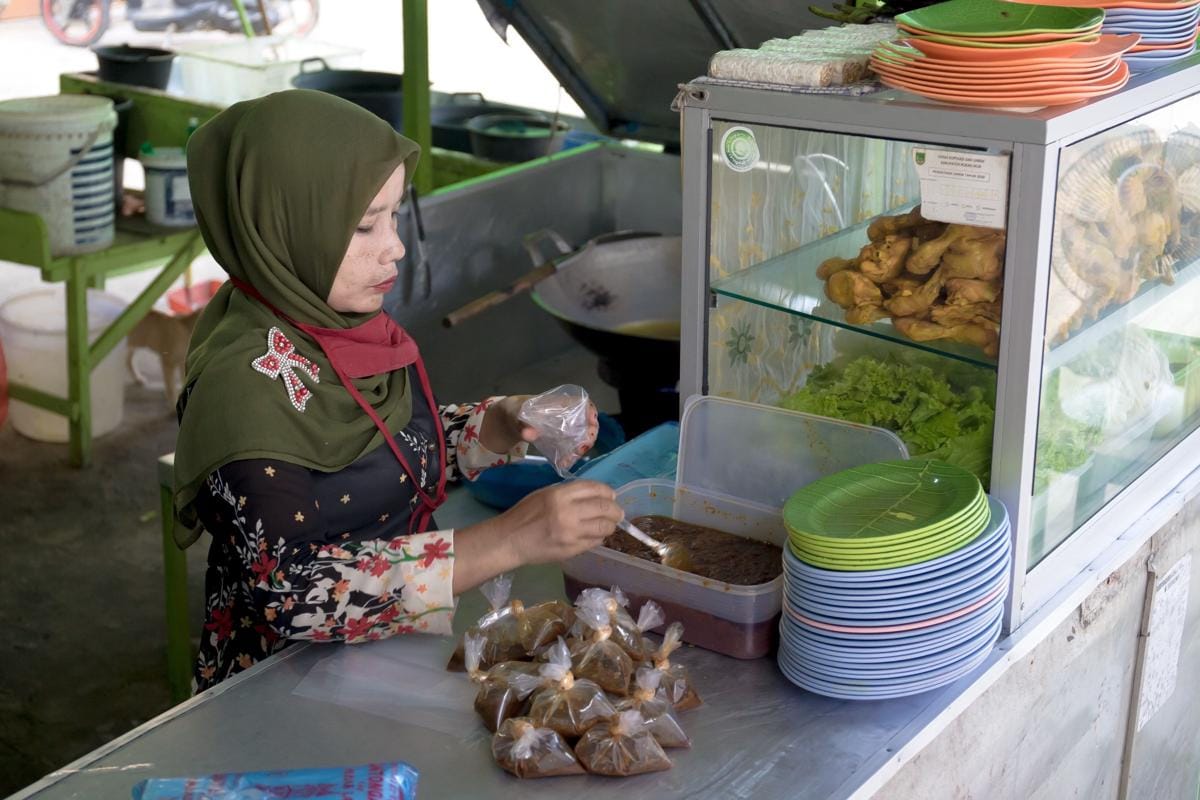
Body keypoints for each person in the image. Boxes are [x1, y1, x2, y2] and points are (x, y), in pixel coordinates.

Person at [173, 90, 624, 691]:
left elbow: (384, 449)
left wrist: (497, 424)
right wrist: (511, 538)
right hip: (279, 690)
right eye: (363, 226)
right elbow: (291, 590)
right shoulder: (246, 388)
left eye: (393, 216)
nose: (395, 247)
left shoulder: (338, 327)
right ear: (282, 229)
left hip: (382, 660)